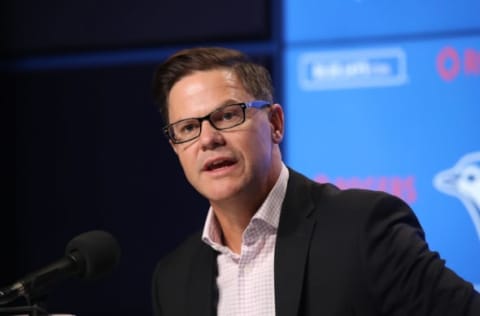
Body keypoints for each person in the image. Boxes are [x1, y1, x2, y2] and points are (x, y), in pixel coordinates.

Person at [150, 46, 480, 316]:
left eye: (227, 116)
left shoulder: (362, 228)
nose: (208, 138)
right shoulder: (174, 279)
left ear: (275, 123)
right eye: (188, 128)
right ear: (175, 147)